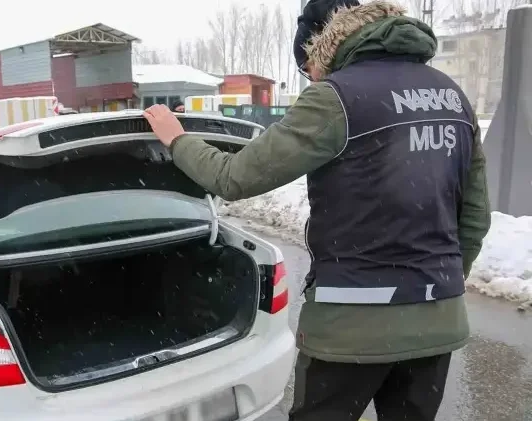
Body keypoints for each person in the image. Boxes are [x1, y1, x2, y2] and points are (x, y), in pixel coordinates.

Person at [143, 1, 491, 419]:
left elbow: (233, 178)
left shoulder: (337, 98)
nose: (313, 77)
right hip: (439, 324)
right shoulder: (453, 97)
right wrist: (439, 286)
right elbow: (474, 219)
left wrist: (177, 139)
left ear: (328, 46)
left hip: (349, 330)